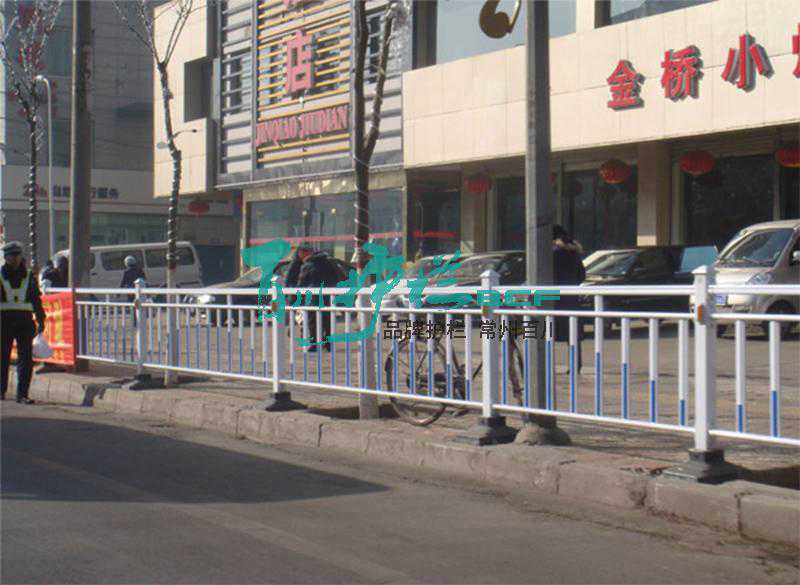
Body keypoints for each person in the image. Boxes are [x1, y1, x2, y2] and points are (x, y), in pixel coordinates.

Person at [1, 241, 46, 403]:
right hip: (4, 322)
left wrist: (41, 318)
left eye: (17, 255)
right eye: (11, 256)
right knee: (2, 358)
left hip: (24, 322)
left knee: (25, 360)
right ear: (6, 257)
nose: (15, 258)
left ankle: (22, 395)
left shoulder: (28, 276)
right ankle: (1, 391)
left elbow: (36, 299)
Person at [552, 225, 586, 370]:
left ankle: (546, 365)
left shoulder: (553, 253)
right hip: (572, 297)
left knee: (546, 331)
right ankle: (576, 365)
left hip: (553, 298)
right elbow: (582, 275)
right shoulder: (574, 254)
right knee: (572, 333)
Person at [297, 247, 340, 351]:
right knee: (327, 320)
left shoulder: (308, 265)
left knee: (313, 322)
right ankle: (328, 343)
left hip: (312, 297)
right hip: (327, 296)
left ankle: (315, 344)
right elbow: (335, 278)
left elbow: (302, 282)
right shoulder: (328, 263)